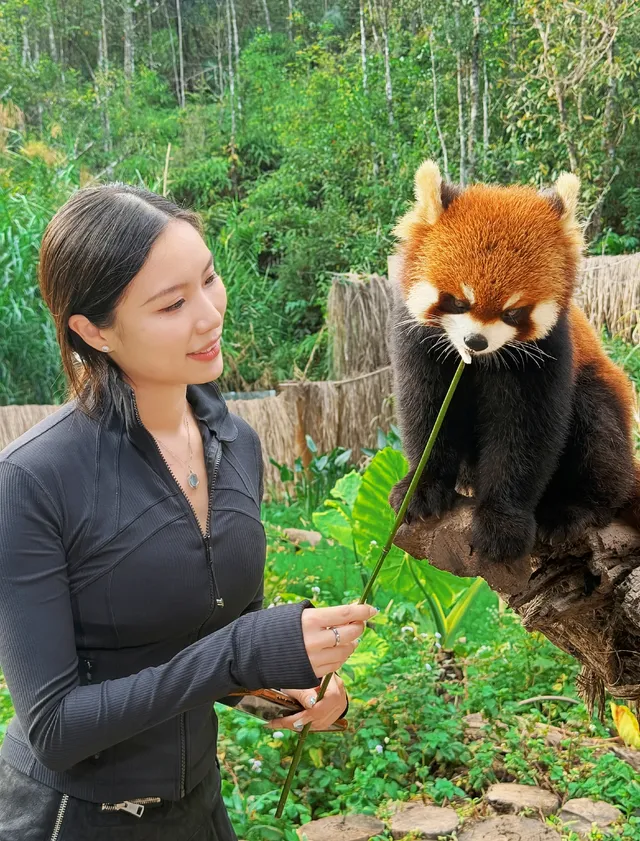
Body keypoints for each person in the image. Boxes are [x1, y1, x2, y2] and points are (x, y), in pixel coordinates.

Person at [0, 184, 376, 841]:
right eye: (172, 303)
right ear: (94, 329)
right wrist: (240, 650)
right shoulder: (34, 479)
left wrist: (287, 685)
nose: (209, 315)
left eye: (209, 279)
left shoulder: (237, 444)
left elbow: (217, 640)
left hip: (198, 811)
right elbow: (56, 727)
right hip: (73, 821)